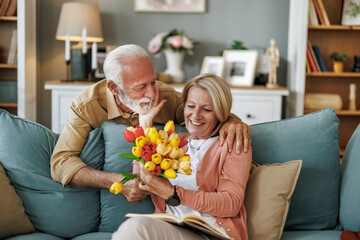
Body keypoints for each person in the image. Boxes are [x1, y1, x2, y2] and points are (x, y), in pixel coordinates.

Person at [50, 44, 251, 203]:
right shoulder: (86, 105)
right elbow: (60, 162)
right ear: (113, 87)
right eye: (141, 87)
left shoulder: (165, 96)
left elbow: (205, 112)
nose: (152, 93)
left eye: (153, 82)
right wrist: (120, 180)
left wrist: (232, 121)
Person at [113, 74, 252, 240]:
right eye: (191, 106)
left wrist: (174, 194)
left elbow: (231, 204)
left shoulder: (232, 143)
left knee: (135, 229)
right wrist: (145, 124)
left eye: (207, 110)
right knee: (134, 229)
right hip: (171, 228)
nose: (195, 115)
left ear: (221, 113)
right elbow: (139, 183)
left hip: (212, 233)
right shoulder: (172, 141)